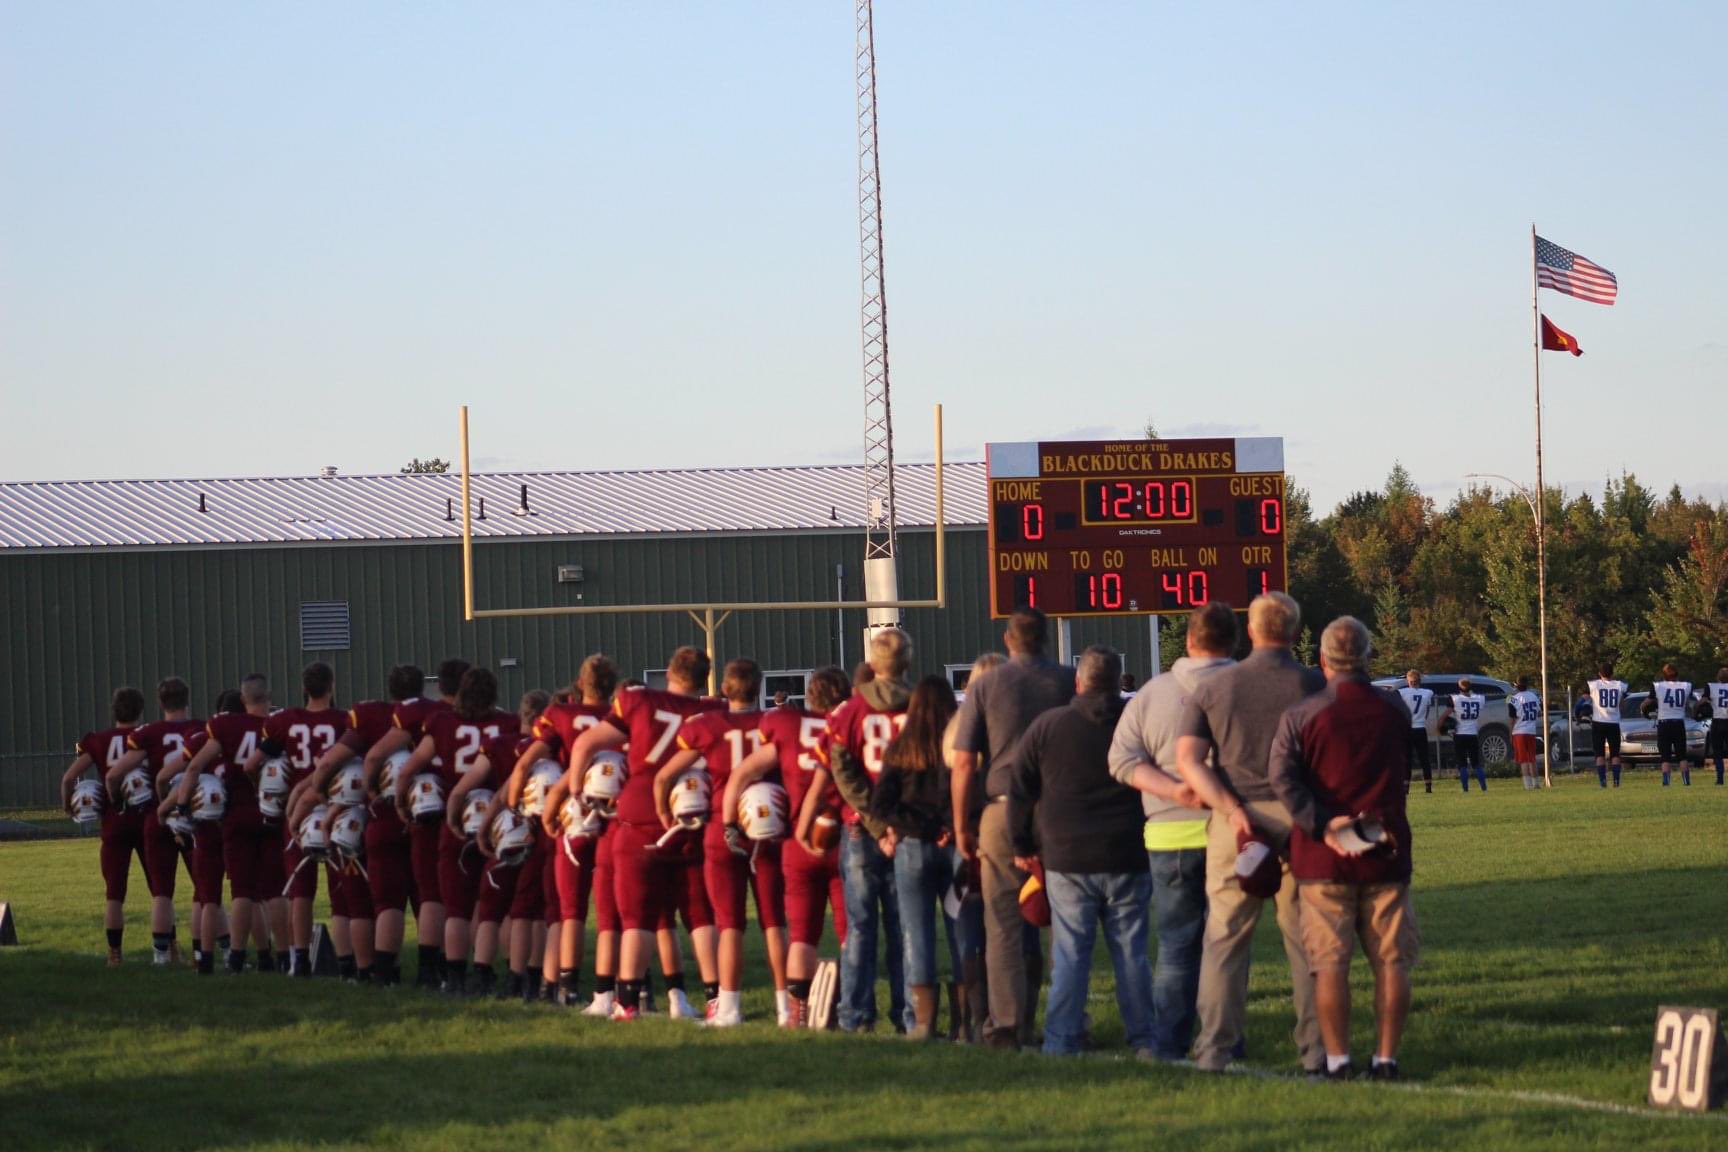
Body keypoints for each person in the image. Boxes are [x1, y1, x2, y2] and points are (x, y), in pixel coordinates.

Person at [1174, 591, 1326, 1075]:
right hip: (1299, 819)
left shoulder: (1217, 687)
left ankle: (1214, 1049)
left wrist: (1231, 808)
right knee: (1305, 939)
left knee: (1225, 937)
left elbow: (1188, 761)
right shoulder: (1312, 683)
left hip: (1236, 820)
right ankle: (1316, 1050)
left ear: (1253, 631)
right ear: (1295, 633)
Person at [1269, 616, 1419, 1081]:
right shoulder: (1394, 709)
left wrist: (1321, 822)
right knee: (1391, 961)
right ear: (1368, 656)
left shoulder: (1303, 714)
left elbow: (1282, 778)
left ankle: (1337, 1059)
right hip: (1384, 848)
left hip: (1324, 856)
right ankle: (1386, 1058)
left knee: (1329, 963)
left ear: (1322, 659)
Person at [1108, 602, 1237, 1062]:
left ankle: (1169, 1041)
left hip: (1169, 834)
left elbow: (1121, 760)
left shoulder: (1153, 693)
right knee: (1227, 944)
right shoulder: (1243, 687)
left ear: (1188, 640)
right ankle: (1224, 1035)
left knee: (1177, 946)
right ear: (1233, 641)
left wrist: (1173, 790)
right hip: (1232, 831)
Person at [1011, 646, 1154, 1058]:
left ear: (1078, 681)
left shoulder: (1049, 726)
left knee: (1071, 953)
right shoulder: (1135, 724)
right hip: (1127, 850)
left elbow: (1020, 788)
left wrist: (1022, 843)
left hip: (1067, 854)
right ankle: (1145, 1036)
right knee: (1131, 952)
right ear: (1119, 681)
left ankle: (1061, 1038)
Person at [566, 645, 722, 1021]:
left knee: (637, 917)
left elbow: (585, 743)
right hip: (690, 816)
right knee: (699, 914)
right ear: (704, 678)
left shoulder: (639, 700)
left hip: (640, 815)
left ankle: (627, 1002)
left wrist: (575, 793)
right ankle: (717, 999)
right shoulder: (714, 712)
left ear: (669, 671)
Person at [950, 606, 1074, 1049]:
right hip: (1058, 807)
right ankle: (1066, 1020)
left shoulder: (987, 685)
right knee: (1066, 918)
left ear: (1008, 640)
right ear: (1046, 638)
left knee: (1001, 921)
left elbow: (964, 762)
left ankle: (1006, 1023)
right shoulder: (1067, 681)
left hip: (1001, 808)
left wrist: (962, 823)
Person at [658, 657, 788, 1027]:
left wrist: (664, 811)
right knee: (774, 922)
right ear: (759, 688)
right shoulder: (775, 722)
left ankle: (729, 1007)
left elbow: (665, 776)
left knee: (729, 923)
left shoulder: (707, 725)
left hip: (721, 828)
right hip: (767, 828)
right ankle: (786, 1007)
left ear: (726, 689)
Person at [733, 666, 853, 1029]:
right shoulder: (850, 725)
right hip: (845, 839)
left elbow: (743, 773)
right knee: (851, 932)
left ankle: (797, 1013)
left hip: (799, 841)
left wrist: (730, 821)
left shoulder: (785, 724)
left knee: (801, 934)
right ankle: (850, 1008)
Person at [824, 626, 916, 1033]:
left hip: (861, 826)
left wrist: (875, 822)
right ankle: (908, 1013)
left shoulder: (850, 710)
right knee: (904, 927)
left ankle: (855, 1014)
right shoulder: (919, 707)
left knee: (860, 926)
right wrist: (896, 822)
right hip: (905, 828)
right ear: (907, 661)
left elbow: (843, 772)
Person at [517, 654, 619, 1010]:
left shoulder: (560, 714)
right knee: (615, 912)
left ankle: (565, 986)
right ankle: (629, 986)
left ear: (579, 683)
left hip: (571, 815)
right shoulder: (621, 715)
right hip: (613, 818)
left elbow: (528, 761)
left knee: (568, 910)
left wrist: (515, 802)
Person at [870, 675, 962, 1040]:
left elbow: (881, 804)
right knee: (962, 932)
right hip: (953, 847)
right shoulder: (957, 745)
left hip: (912, 848)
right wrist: (946, 827)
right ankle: (966, 1021)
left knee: (916, 935)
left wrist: (917, 827)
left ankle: (921, 1022)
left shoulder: (900, 748)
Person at [368, 658, 468, 987]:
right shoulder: (485, 717)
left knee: (431, 895)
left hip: (428, 807)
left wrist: (378, 792)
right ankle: (462, 970)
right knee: (464, 898)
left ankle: (426, 971)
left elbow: (380, 756)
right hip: (468, 811)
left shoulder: (428, 715)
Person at [245, 661, 349, 978]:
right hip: (335, 808)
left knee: (300, 891)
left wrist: (264, 790)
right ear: (331, 685)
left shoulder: (285, 721)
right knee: (341, 891)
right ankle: (349, 963)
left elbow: (251, 764)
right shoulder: (344, 720)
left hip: (297, 812)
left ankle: (299, 960)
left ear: (304, 688)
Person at [176, 674, 278, 974]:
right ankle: (270, 956)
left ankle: (208, 959)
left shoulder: (216, 733)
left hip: (222, 820)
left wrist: (178, 806)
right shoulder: (276, 726)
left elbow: (191, 767)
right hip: (266, 814)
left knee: (214, 896)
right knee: (261, 894)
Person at [108, 677, 203, 966]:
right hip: (193, 816)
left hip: (157, 817)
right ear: (187, 699)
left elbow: (114, 775)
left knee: (162, 892)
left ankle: (161, 956)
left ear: (160, 703)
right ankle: (202, 953)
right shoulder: (201, 730)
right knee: (204, 888)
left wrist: (118, 801)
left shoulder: (148, 733)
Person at [61, 686, 149, 966]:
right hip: (146, 818)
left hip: (114, 822)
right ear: (140, 710)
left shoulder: (99, 740)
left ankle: (114, 954)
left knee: (114, 893)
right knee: (161, 890)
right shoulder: (147, 736)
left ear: (114, 710)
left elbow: (68, 778)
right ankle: (169, 948)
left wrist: (67, 805)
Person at [939, 653, 1001, 1041]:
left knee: (967, 931)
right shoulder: (1008, 727)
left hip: (963, 837)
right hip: (997, 833)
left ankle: (974, 1019)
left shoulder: (956, 730)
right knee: (1006, 929)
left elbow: (946, 783)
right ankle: (1004, 1015)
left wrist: (952, 826)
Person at [1644, 664, 1693, 787]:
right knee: (1682, 755)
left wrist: (1643, 707)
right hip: (1678, 722)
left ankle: (1666, 782)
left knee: (1665, 755)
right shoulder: (1686, 686)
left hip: (1664, 723)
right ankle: (1686, 781)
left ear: (1664, 675)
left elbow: (1647, 702)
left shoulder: (1658, 686)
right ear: (1677, 674)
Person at [1585, 663, 1628, 789]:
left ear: (1599, 674)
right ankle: (1616, 781)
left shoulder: (1594, 685)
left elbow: (1584, 699)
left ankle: (1603, 782)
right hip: (1613, 722)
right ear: (1612, 673)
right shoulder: (1619, 685)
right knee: (1615, 754)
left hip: (1598, 722)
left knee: (1599, 754)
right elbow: (1624, 701)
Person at [1443, 679, 1487, 793]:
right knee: (1476, 763)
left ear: (1459, 687)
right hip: (1473, 734)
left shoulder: (1455, 698)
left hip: (1460, 734)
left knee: (1462, 764)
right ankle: (1483, 787)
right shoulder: (1479, 698)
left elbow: (1445, 715)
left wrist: (1440, 726)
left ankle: (1465, 789)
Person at [1396, 670, 1435, 794]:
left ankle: (1406, 788)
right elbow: (1427, 710)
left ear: (1408, 681)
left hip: (1407, 728)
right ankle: (1428, 787)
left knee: (1407, 759)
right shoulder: (1428, 692)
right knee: (1424, 758)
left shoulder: (1402, 692)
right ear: (1419, 680)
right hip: (1420, 728)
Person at [1507, 677, 1543, 791]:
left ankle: (1528, 785)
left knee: (1523, 760)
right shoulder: (1534, 696)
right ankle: (1536, 783)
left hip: (1519, 731)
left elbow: (1512, 719)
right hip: (1531, 730)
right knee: (1532, 759)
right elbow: (1539, 712)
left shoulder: (1513, 699)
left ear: (1516, 686)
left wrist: (1510, 733)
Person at [1703, 669, 1728, 787]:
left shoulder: (1711, 686)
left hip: (1717, 721)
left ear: (1718, 677)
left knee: (1717, 752)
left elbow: (1703, 701)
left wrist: (1696, 710)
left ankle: (1720, 778)